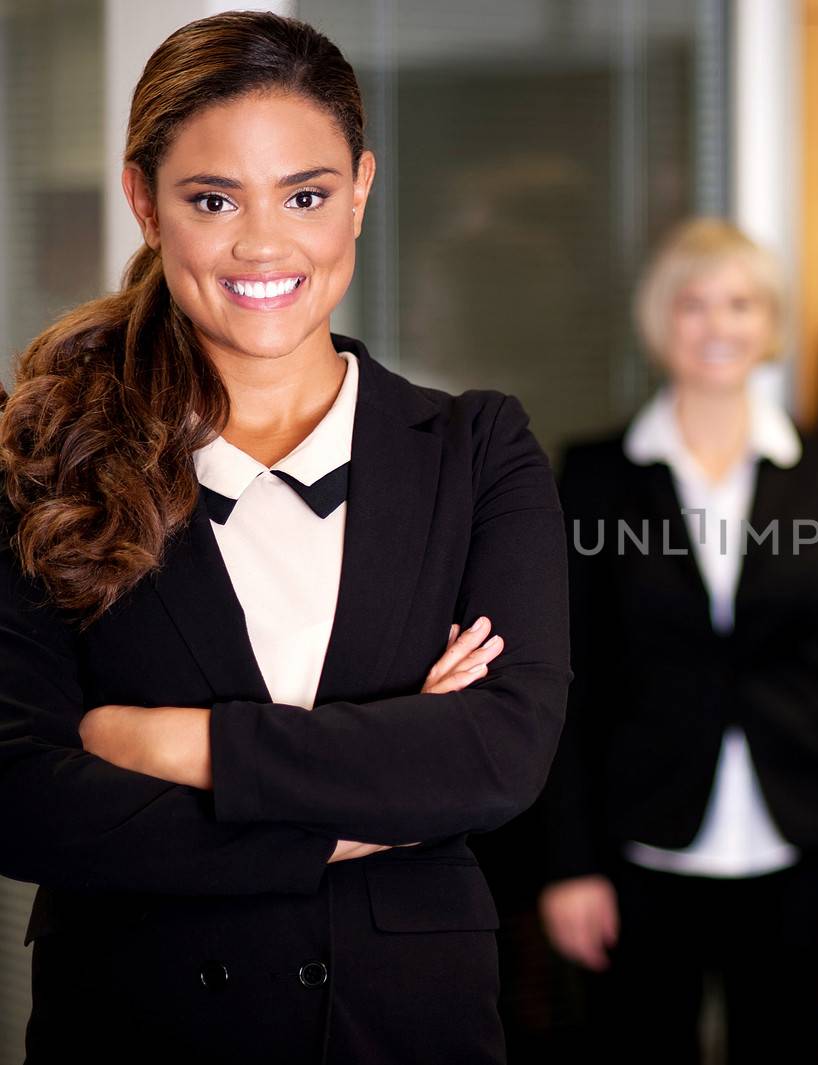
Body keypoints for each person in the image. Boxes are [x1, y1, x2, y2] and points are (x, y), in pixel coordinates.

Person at [0, 13, 569, 1064]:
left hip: (406, 1026)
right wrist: (384, 786)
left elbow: (498, 757)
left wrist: (175, 744)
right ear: (145, 202)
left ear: (359, 188)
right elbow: (23, 798)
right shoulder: (45, 452)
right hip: (137, 1021)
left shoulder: (478, 447)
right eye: (213, 201)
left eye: (304, 195)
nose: (263, 246)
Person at [537, 218, 818, 1065]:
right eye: (692, 304)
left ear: (769, 322)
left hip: (799, 844)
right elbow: (569, 684)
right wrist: (567, 864)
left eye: (740, 304)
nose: (717, 325)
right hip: (636, 851)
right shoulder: (596, 473)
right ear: (660, 322)